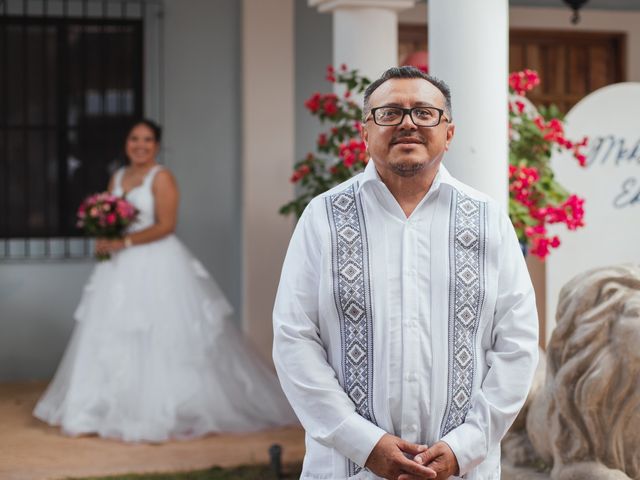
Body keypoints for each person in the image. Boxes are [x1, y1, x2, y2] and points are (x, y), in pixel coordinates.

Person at [272, 67, 539, 480]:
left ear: (448, 132)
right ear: (365, 132)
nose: (408, 123)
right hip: (346, 468)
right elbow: (294, 340)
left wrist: (461, 448)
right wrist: (364, 444)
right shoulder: (322, 217)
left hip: (461, 470)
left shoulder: (488, 220)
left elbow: (517, 345)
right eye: (390, 113)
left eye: (424, 113)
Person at [34, 119, 297, 442]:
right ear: (126, 143)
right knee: (112, 333)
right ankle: (106, 407)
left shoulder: (162, 177)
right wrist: (105, 236)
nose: (140, 145)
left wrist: (124, 242)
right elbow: (112, 218)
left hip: (156, 263)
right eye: (134, 139)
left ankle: (159, 409)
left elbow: (165, 225)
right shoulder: (117, 176)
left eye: (147, 140)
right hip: (117, 268)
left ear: (157, 146)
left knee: (158, 333)